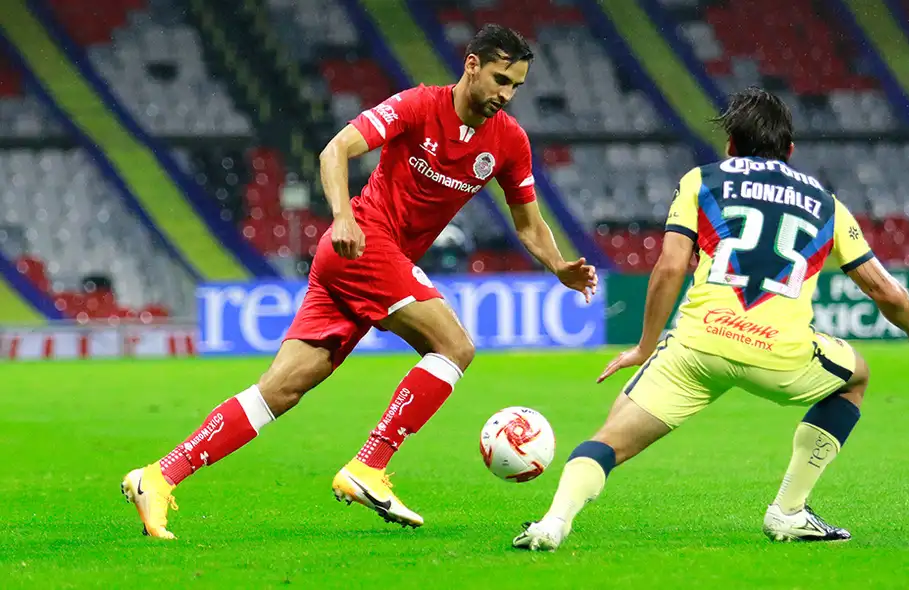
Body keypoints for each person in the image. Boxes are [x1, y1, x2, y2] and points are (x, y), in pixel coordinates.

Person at [121, 24, 597, 539]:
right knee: (454, 347)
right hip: (363, 243)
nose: (505, 96)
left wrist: (557, 265)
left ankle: (159, 476)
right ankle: (369, 466)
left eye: (516, 87)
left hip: (360, 264)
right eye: (501, 80)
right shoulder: (418, 105)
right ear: (472, 65)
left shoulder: (508, 141)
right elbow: (335, 150)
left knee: (278, 390)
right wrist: (343, 215)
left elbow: (528, 222)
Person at [513, 87, 909, 551]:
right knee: (856, 377)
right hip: (780, 355)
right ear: (789, 152)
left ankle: (553, 522)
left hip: (698, 346)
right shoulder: (826, 205)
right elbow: (884, 291)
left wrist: (645, 346)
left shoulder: (702, 180)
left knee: (609, 441)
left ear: (731, 144)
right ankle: (789, 511)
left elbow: (671, 267)